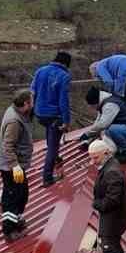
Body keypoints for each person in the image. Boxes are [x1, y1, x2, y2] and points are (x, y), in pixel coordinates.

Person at [88, 137, 126, 253]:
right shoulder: (109, 166)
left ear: (105, 153)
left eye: (95, 157)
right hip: (113, 218)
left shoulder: (112, 172)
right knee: (114, 245)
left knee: (109, 252)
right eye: (91, 157)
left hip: (112, 219)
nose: (92, 161)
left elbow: (112, 200)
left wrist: (97, 204)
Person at [0, 89, 36, 242]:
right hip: (11, 166)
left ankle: (16, 218)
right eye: (32, 101)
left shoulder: (16, 112)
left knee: (22, 194)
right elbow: (7, 146)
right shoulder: (14, 122)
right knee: (12, 197)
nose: (33, 104)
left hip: (15, 165)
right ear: (25, 103)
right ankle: (9, 231)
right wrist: (15, 165)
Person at [30, 51, 73, 186]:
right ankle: (47, 178)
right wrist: (66, 121)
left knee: (51, 137)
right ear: (66, 64)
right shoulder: (64, 76)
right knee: (53, 147)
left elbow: (32, 92)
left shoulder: (40, 71)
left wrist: (33, 111)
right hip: (55, 116)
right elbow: (63, 101)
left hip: (40, 114)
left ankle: (55, 159)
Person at [82, 86, 126, 161]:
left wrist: (87, 134)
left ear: (96, 102)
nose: (93, 108)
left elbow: (102, 125)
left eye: (92, 106)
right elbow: (97, 124)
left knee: (112, 129)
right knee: (107, 132)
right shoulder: (104, 103)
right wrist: (88, 141)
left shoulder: (110, 105)